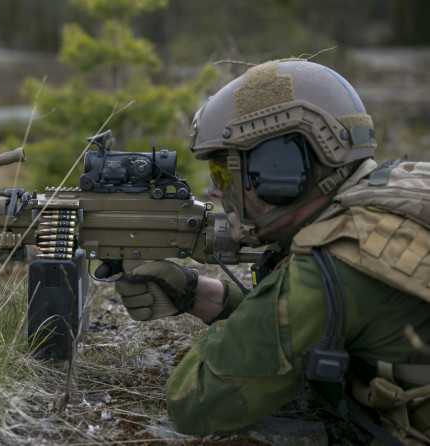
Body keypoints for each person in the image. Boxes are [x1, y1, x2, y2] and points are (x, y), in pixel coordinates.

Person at [115, 59, 430, 445]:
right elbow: (318, 322)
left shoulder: (334, 261)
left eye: (223, 173)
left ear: (280, 171)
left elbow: (195, 401)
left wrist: (234, 330)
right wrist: (205, 297)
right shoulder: (403, 185)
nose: (216, 191)